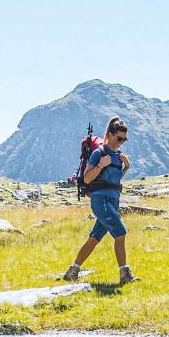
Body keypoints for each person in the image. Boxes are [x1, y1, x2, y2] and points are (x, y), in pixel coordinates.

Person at [62, 117, 138, 285]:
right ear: (110, 135)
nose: (121, 142)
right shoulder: (99, 153)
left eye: (124, 139)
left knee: (94, 238)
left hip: (112, 201)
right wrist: (101, 165)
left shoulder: (119, 155)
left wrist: (126, 167)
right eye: (119, 138)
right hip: (101, 201)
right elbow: (87, 178)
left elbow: (115, 179)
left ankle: (72, 272)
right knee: (121, 232)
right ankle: (125, 275)